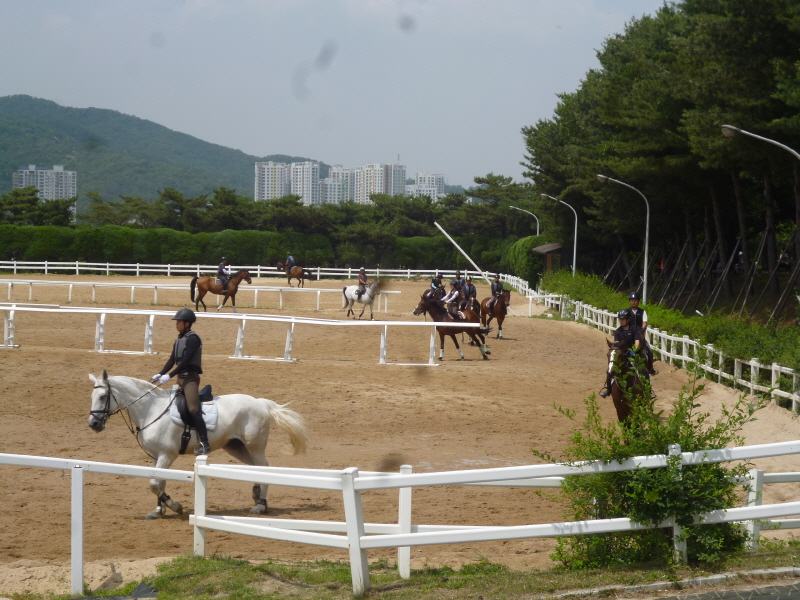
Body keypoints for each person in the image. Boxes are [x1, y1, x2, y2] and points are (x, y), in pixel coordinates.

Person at [151, 308, 210, 455]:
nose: (176, 325)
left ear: (187, 323)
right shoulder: (180, 339)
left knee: (192, 409)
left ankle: (205, 442)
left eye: (179, 322)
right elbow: (172, 359)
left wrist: (169, 376)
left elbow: (185, 361)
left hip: (190, 378)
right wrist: (161, 373)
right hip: (180, 378)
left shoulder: (193, 339)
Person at [599, 308, 642, 398]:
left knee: (642, 369)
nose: (621, 321)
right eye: (620, 319)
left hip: (632, 354)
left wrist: (632, 352)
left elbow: (637, 343)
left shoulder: (634, 330)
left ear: (628, 320)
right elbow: (616, 344)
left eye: (623, 319)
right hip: (621, 354)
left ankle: (647, 389)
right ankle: (608, 389)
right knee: (611, 370)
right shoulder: (618, 331)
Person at [628, 292, 657, 375]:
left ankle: (651, 369)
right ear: (630, 301)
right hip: (629, 335)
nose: (633, 302)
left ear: (638, 301)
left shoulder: (643, 312)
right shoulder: (627, 312)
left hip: (640, 335)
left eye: (635, 300)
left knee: (650, 351)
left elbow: (644, 323)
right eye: (632, 300)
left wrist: (641, 330)